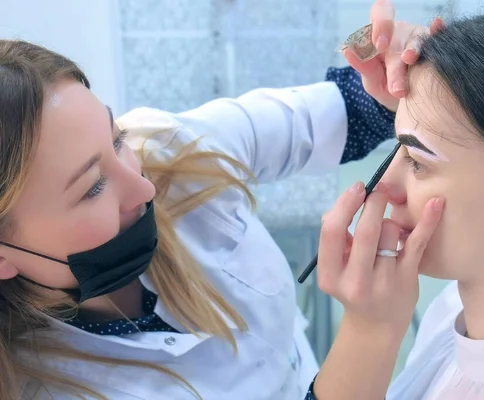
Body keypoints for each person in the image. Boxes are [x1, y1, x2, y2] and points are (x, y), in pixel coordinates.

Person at [0, 1, 432, 399]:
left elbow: (350, 110)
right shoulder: (39, 386)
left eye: (117, 140)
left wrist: (394, 66)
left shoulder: (169, 151)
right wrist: (372, 329)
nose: (144, 187)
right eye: (93, 187)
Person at [307, 1, 484, 399]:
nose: (384, 187)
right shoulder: (449, 315)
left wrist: (369, 332)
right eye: (397, 153)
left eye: (416, 162)